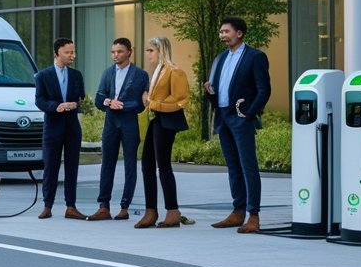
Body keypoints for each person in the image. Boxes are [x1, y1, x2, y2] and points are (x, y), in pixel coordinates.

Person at [202, 17, 271, 234]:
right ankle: (237, 211)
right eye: (221, 31)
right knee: (232, 167)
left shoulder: (255, 57)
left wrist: (249, 114)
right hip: (223, 116)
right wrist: (209, 92)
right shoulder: (220, 59)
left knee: (248, 166)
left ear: (239, 33)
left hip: (241, 118)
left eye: (226, 31)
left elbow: (264, 89)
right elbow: (219, 89)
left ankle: (253, 215)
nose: (222, 35)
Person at [90, 38, 149, 221]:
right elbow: (99, 98)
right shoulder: (107, 73)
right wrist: (108, 102)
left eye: (120, 52)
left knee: (130, 165)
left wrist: (122, 105)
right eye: (113, 52)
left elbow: (141, 105)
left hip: (129, 122)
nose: (116, 55)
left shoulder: (140, 75)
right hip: (110, 122)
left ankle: (125, 207)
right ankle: (103, 206)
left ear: (129, 52)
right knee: (107, 163)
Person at [139, 36, 191, 228]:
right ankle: (151, 210)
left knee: (163, 166)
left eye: (151, 50)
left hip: (167, 121)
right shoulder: (157, 71)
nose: (148, 54)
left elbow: (180, 99)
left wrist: (152, 102)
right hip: (156, 120)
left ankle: (172, 211)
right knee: (147, 165)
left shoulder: (175, 71)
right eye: (147, 50)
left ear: (162, 51)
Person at [34, 37, 86, 219]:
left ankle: (71, 206)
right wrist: (57, 106)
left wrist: (75, 104)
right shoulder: (43, 76)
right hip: (53, 126)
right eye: (68, 52)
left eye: (73, 52)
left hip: (72, 126)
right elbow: (39, 100)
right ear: (57, 53)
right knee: (51, 166)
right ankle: (47, 206)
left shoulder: (77, 75)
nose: (73, 55)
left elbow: (81, 97)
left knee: (72, 166)